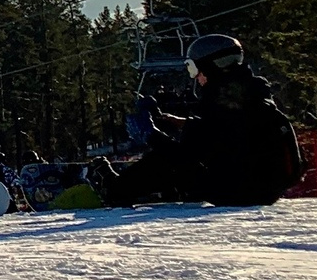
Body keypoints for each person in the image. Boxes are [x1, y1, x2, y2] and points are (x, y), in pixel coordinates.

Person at [97, 34, 303, 208]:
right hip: (261, 188)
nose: (195, 78)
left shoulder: (221, 103)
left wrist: (150, 135)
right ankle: (147, 191)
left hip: (240, 192)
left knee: (164, 161)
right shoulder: (250, 94)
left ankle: (113, 190)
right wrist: (179, 123)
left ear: (210, 67)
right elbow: (220, 135)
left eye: (194, 69)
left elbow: (186, 156)